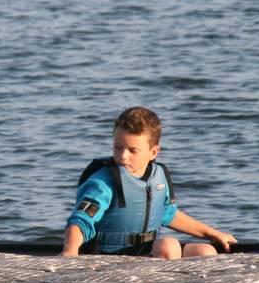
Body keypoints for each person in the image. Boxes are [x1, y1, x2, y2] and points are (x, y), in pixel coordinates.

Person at [61, 106, 234, 258]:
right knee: (168, 246)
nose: (123, 156)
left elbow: (168, 214)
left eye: (132, 150)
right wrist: (70, 251)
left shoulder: (158, 177)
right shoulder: (103, 182)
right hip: (108, 256)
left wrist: (213, 234)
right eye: (118, 147)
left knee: (206, 252)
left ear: (153, 152)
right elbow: (80, 221)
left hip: (144, 252)